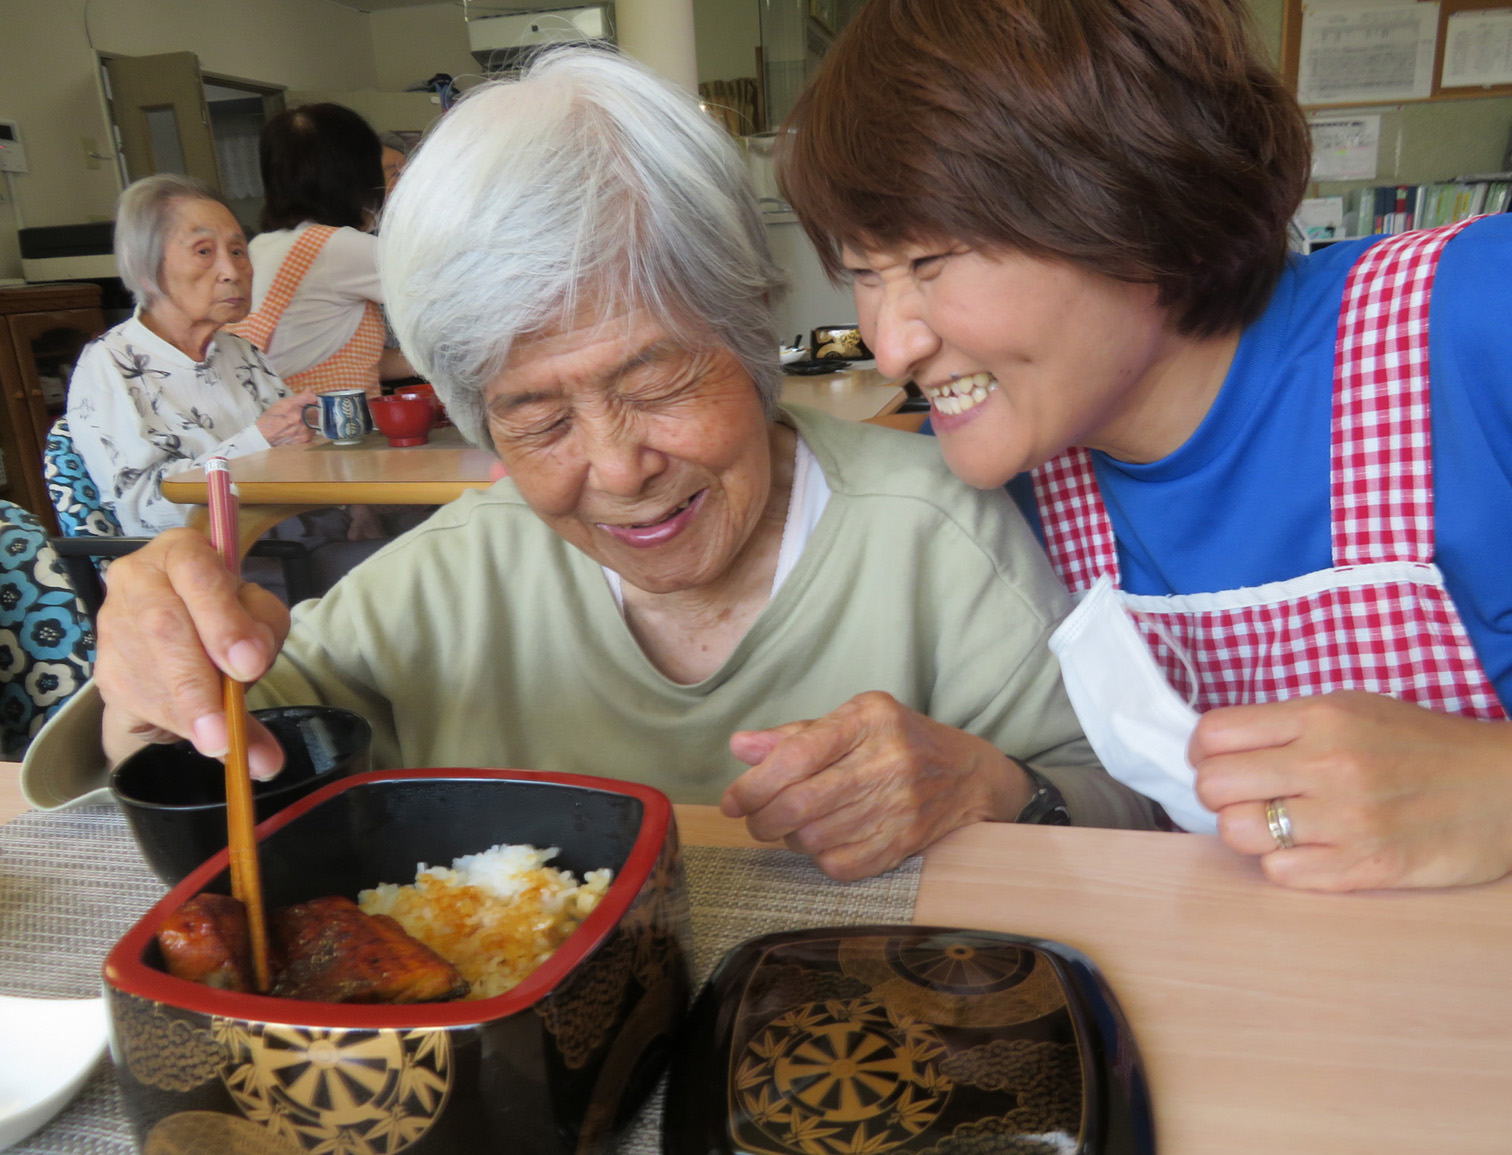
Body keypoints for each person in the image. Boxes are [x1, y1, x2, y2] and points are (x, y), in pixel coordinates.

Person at [23, 48, 1152, 882]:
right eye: (536, 416)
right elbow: (199, 758)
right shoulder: (455, 577)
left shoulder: (936, 539)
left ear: (753, 332)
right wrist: (156, 662)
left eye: (658, 382)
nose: (616, 470)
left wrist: (1007, 789)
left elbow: (1140, 817)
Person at [774, 0, 1512, 891]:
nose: (891, 346)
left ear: (1130, 199)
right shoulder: (1013, 488)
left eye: (929, 262)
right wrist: (1001, 786)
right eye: (863, 274)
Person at [65, 174, 318, 537]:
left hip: (298, 539)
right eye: (203, 251)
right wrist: (259, 439)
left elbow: (298, 455)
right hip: (213, 567)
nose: (231, 272)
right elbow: (145, 511)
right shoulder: (109, 364)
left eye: (236, 251)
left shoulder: (241, 352)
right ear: (147, 267)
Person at [229, 103, 413, 399]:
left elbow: (355, 362)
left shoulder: (264, 245)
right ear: (356, 174)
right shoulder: (337, 247)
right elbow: (453, 292)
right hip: (325, 431)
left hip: (287, 426)